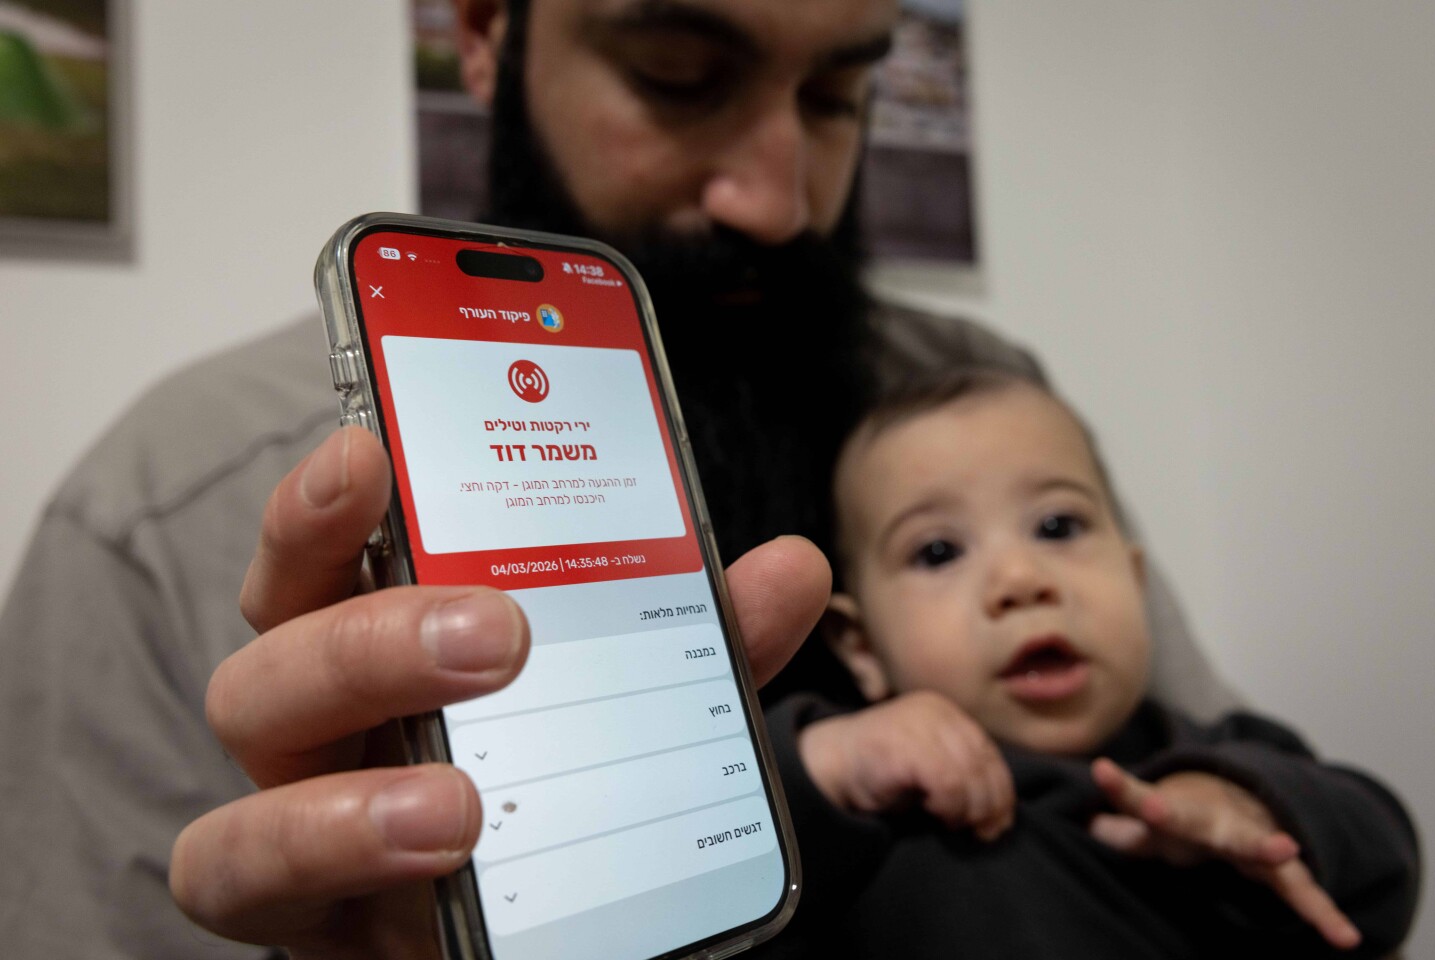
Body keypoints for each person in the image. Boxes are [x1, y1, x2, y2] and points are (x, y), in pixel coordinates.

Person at [0, 1, 1239, 957]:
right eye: (678, 78)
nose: (780, 199)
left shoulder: (983, 403)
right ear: (486, 31)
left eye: (838, 94)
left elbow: (1230, 794)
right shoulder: (162, 511)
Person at [759, 368, 1419, 958]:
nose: (1020, 578)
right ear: (862, 648)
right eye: (938, 552)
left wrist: (1257, 810)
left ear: (1136, 582)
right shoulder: (875, 807)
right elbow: (719, 883)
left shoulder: (1224, 752)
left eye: (1057, 527)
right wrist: (830, 761)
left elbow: (1385, 862)